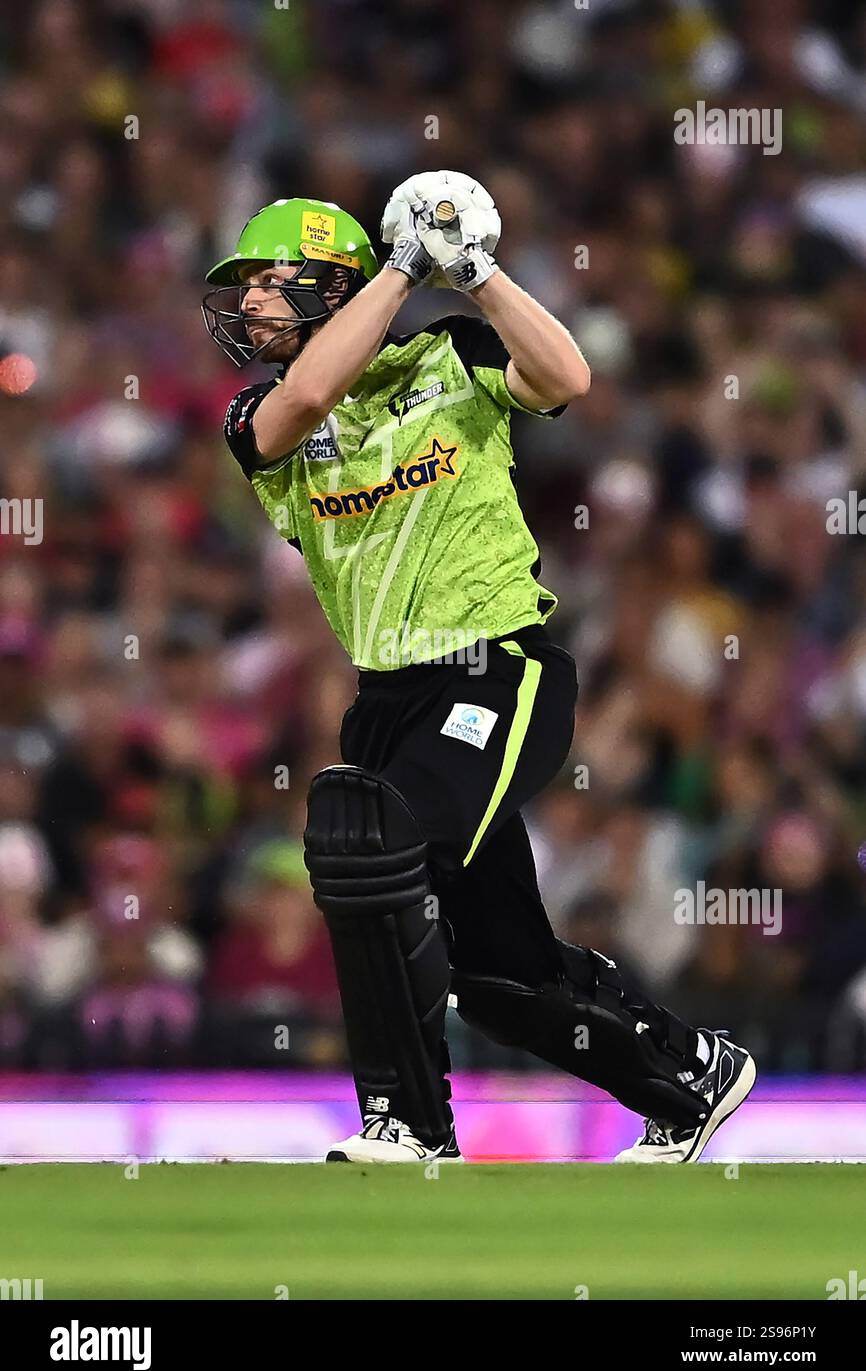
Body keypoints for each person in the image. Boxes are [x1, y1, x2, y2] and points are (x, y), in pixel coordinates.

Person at [202, 171, 755, 1163]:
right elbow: (314, 394)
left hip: (494, 671)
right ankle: (687, 1077)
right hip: (385, 698)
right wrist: (405, 268)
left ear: (334, 284)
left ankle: (407, 1125)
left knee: (365, 836)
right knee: (500, 975)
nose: (244, 302)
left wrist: (476, 275)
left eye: (267, 280)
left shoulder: (449, 355)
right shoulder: (258, 413)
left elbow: (567, 378)